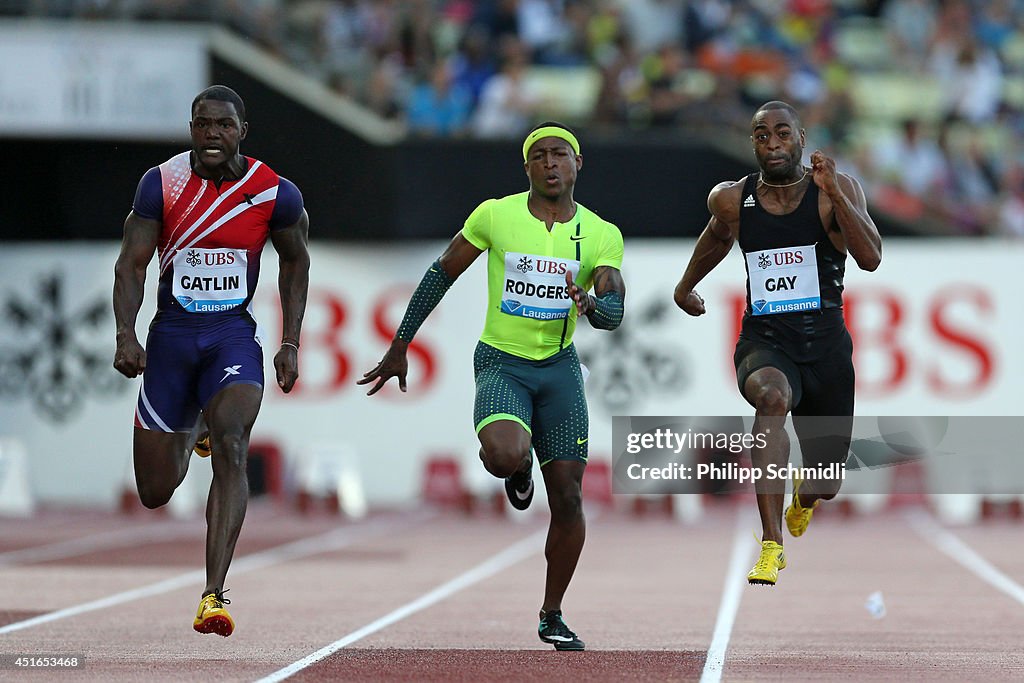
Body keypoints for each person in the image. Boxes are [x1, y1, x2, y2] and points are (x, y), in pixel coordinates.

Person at [359, 122, 625, 650]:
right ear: (526, 168)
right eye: (540, 156)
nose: (550, 163)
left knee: (569, 499)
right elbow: (441, 274)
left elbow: (614, 312)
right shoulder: (495, 215)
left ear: (578, 165)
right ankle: (518, 466)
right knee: (504, 454)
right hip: (502, 362)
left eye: (560, 155)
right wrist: (399, 344)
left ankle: (552, 612)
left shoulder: (601, 234)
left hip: (559, 367)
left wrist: (591, 303)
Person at [112, 85, 310, 635]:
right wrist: (126, 336)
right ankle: (193, 418)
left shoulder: (275, 193)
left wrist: (290, 341)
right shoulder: (163, 183)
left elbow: (295, 264)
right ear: (191, 128)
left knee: (232, 440)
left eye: (223, 125)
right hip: (172, 339)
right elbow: (131, 265)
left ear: (241, 130)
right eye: (202, 124)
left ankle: (213, 593)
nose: (211, 134)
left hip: (231, 338)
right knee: (154, 492)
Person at [673, 101, 881, 586]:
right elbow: (717, 239)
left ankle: (805, 496)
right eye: (762, 135)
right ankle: (771, 545)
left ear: (801, 138)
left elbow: (870, 258)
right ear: (753, 144)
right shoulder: (731, 199)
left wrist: (834, 191)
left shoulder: (837, 190)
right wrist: (685, 287)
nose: (772, 144)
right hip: (765, 342)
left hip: (827, 350)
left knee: (828, 482)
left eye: (782, 134)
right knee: (771, 398)